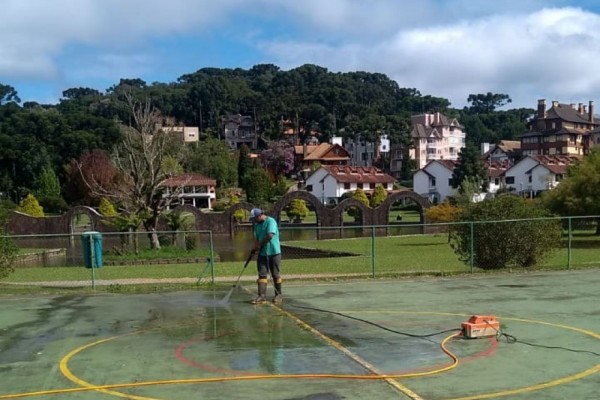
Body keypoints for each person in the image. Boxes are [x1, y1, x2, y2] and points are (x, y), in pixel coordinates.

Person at [249, 208, 282, 304]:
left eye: (255, 218)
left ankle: (278, 295)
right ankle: (261, 296)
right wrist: (255, 249)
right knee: (262, 274)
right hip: (263, 254)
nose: (254, 220)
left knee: (275, 274)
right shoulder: (257, 225)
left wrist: (260, 245)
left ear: (259, 215)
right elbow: (257, 239)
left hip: (274, 252)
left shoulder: (270, 221)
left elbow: (270, 235)